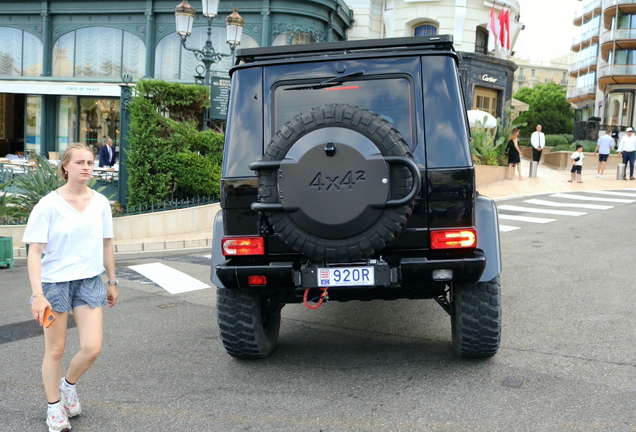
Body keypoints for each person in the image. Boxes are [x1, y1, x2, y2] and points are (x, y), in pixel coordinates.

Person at [22, 143, 118, 432]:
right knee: (56, 350)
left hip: (89, 281)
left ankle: (68, 386)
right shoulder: (48, 204)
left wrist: (112, 281)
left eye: (90, 162)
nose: (87, 167)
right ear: (66, 166)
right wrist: (38, 296)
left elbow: (107, 243)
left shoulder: (100, 202)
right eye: (80, 162)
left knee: (92, 348)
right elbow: (34, 252)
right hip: (54, 285)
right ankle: (54, 408)